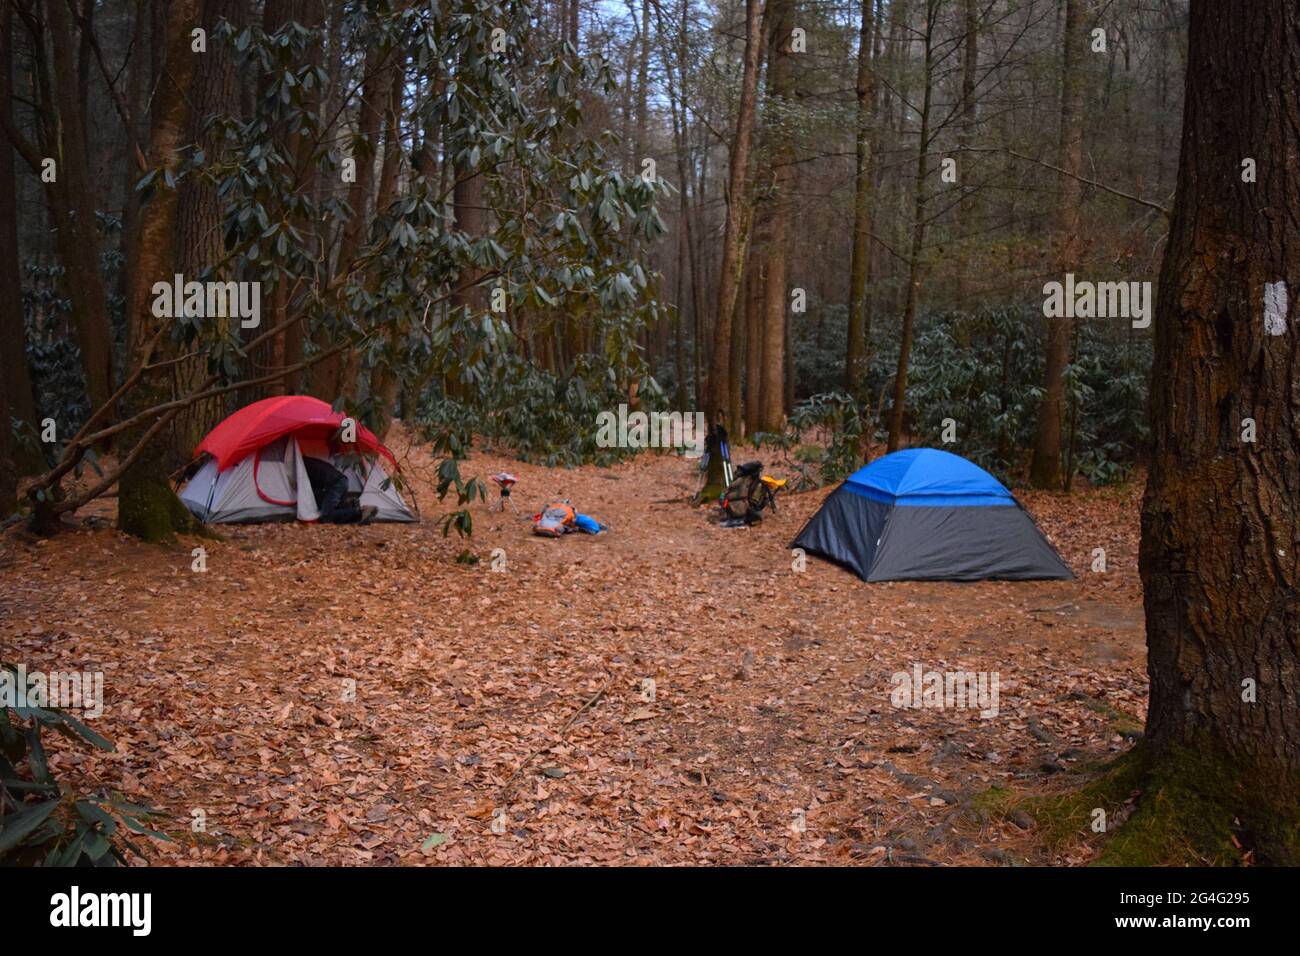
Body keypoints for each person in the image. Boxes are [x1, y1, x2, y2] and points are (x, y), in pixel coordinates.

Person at [302, 456, 377, 524]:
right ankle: (350, 506)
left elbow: (306, 486)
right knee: (329, 506)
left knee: (326, 515)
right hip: (340, 481)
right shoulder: (306, 461)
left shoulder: (301, 466)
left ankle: (360, 511)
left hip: (335, 484)